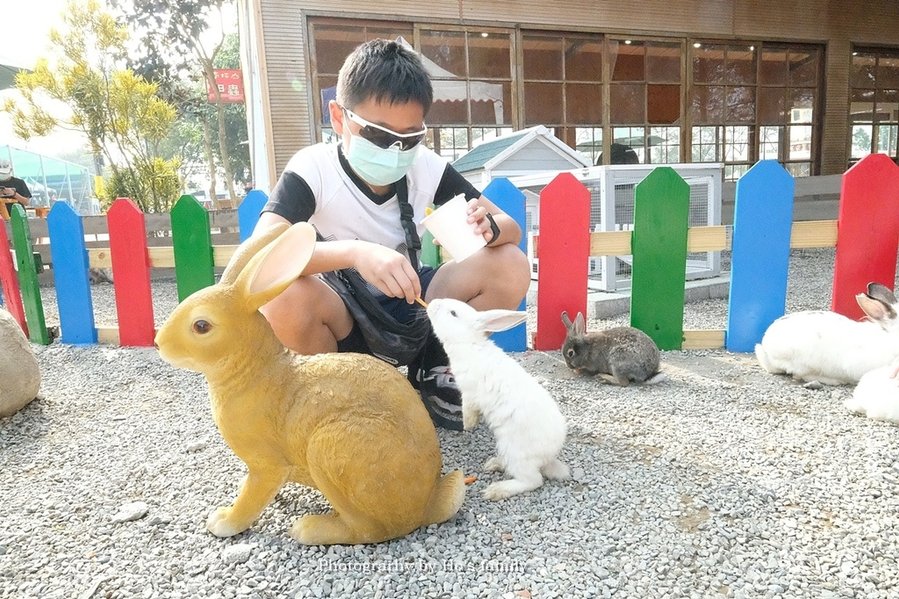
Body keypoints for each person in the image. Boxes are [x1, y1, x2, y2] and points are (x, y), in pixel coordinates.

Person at [255, 39, 531, 430]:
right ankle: (337, 393)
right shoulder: (314, 169)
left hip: (414, 303)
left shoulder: (426, 167)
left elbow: (511, 229)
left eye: (410, 138)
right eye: (380, 136)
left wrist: (490, 228)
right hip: (343, 315)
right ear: (338, 117)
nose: (396, 150)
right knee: (285, 294)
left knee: (509, 264)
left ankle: (436, 369)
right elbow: (263, 254)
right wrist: (355, 254)